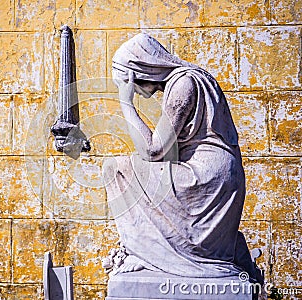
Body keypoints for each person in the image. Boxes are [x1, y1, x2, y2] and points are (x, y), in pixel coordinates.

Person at [103, 33, 262, 282]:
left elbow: (154, 151)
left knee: (115, 168)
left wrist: (126, 103)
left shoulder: (184, 83)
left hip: (206, 179)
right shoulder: (189, 79)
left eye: (127, 81)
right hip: (216, 176)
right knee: (129, 167)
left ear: (140, 68)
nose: (129, 87)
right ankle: (150, 251)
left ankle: (147, 253)